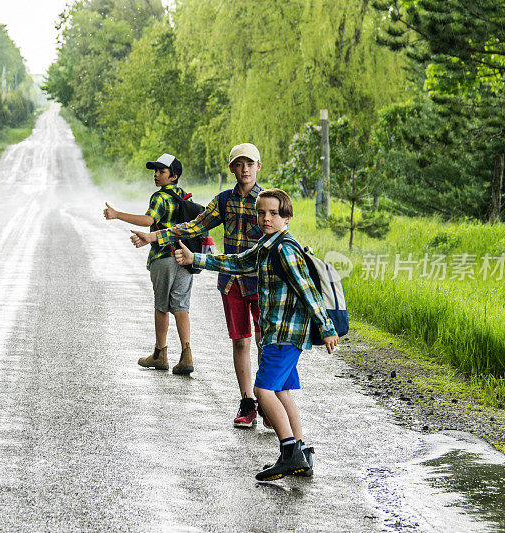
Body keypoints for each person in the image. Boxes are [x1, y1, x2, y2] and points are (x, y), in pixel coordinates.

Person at [174, 188, 338, 480]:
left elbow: (308, 290)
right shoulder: (266, 246)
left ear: (286, 217)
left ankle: (289, 453)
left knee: (262, 392)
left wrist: (326, 328)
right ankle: (302, 453)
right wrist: (195, 259)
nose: (266, 218)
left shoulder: (285, 249)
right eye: (261, 212)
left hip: (284, 333)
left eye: (273, 213)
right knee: (282, 392)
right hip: (280, 332)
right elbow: (236, 263)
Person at [132, 143, 266, 427]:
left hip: (263, 282)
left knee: (265, 342)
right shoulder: (224, 201)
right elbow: (193, 226)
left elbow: (279, 235)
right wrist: (154, 237)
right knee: (241, 342)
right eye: (239, 164)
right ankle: (247, 402)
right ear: (232, 168)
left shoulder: (266, 201)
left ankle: (267, 400)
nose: (245, 169)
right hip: (232, 283)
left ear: (258, 167)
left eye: (250, 164)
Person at [103, 153, 194, 375]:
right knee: (181, 306)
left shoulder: (160, 197)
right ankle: (186, 355)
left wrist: (117, 215)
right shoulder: (185, 197)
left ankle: (160, 353)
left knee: (161, 306)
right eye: (155, 171)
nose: (156, 175)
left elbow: (149, 220)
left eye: (161, 172)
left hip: (163, 258)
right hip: (185, 256)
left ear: (174, 176)